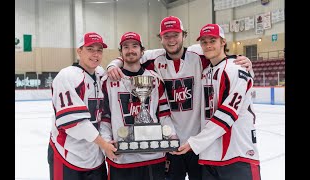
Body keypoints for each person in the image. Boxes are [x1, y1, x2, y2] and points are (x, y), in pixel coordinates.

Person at [106, 16, 253, 180]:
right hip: (170, 143)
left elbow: (221, 57)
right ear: (160, 38)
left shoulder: (199, 53)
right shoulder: (154, 57)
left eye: (175, 35)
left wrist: (239, 59)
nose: (171, 40)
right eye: (166, 36)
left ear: (183, 35)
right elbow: (130, 55)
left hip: (199, 142)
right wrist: (113, 65)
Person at [172, 23, 261, 180]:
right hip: (210, 157)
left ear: (223, 42)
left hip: (237, 155)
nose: (208, 45)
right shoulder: (205, 72)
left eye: (212, 40)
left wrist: (194, 143)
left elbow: (227, 114)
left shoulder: (236, 69)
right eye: (204, 42)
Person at [100, 31, 177, 180]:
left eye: (135, 46)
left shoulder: (155, 79)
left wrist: (171, 135)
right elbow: (105, 117)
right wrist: (106, 142)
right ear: (120, 53)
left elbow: (163, 114)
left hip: (153, 156)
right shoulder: (107, 81)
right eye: (126, 47)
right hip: (122, 158)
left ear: (142, 51)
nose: (130, 50)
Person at [47, 32, 117, 180]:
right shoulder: (66, 76)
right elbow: (74, 123)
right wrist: (104, 144)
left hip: (94, 156)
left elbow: (104, 114)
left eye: (99, 50)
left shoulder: (100, 74)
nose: (95, 54)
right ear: (79, 51)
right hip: (67, 154)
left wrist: (115, 64)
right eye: (90, 49)